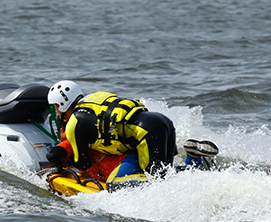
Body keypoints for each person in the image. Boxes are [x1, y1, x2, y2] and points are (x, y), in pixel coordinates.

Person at [46, 80, 218, 187]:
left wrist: (67, 164)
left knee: (148, 181)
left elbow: (83, 162)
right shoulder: (94, 98)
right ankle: (194, 161)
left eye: (56, 108)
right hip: (162, 122)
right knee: (165, 174)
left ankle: (196, 166)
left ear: (62, 104)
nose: (57, 114)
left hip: (145, 133)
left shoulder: (75, 123)